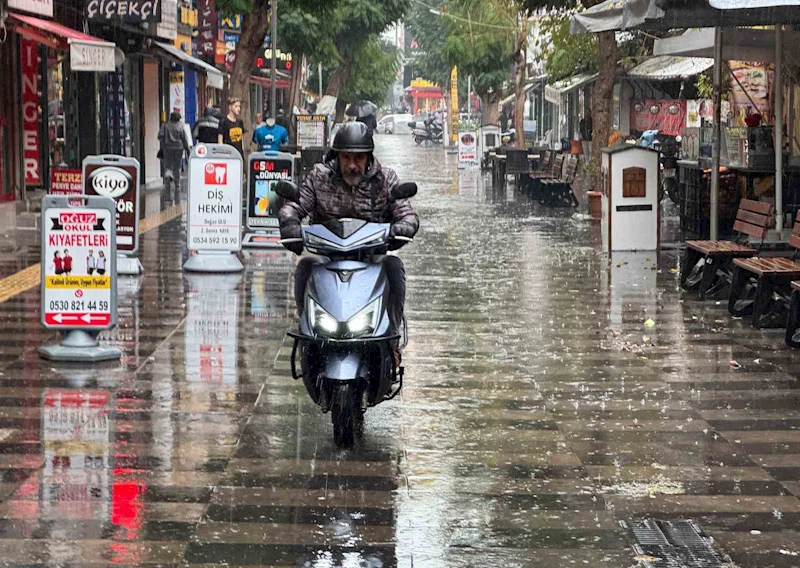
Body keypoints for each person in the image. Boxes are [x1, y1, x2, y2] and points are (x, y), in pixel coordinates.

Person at [279, 122, 419, 341]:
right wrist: (290, 223)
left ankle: (391, 336)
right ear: (337, 156)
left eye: (359, 158)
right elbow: (296, 205)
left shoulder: (386, 180)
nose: (352, 165)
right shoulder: (319, 177)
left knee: (394, 266)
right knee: (305, 266)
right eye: (346, 158)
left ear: (369, 157)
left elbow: (406, 213)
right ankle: (306, 330)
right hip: (327, 256)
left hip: (371, 257)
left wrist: (403, 227)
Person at [158, 111, 191, 197]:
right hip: (179, 148)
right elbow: (184, 139)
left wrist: (164, 142)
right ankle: (177, 184)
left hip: (167, 148)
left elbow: (160, 136)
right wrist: (188, 150)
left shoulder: (165, 125)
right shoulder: (181, 126)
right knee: (177, 166)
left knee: (168, 166)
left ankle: (167, 183)